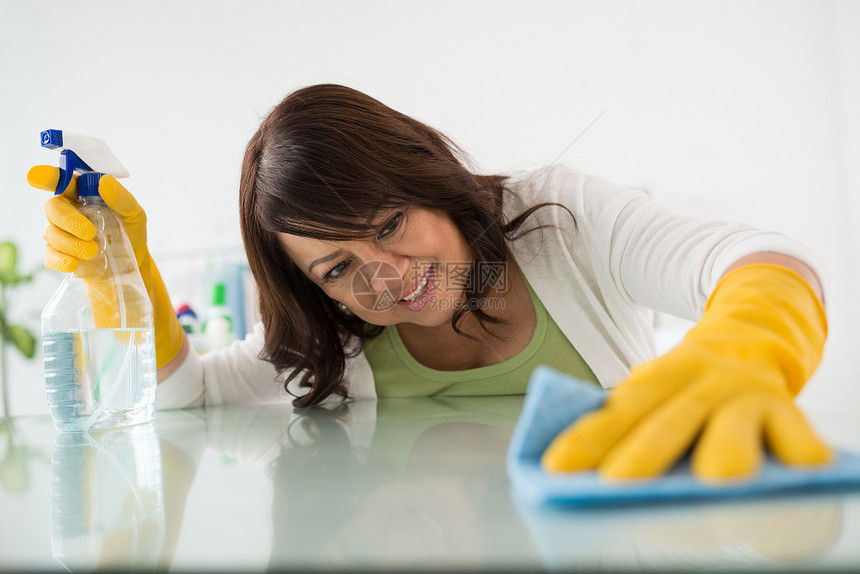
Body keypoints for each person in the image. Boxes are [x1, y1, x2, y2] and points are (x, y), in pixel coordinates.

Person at [29, 83, 832, 481]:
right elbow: (191, 397)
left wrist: (745, 347)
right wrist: (121, 276)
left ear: (428, 178)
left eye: (388, 225)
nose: (385, 277)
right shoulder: (341, 335)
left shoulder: (557, 218)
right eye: (338, 267)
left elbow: (761, 258)